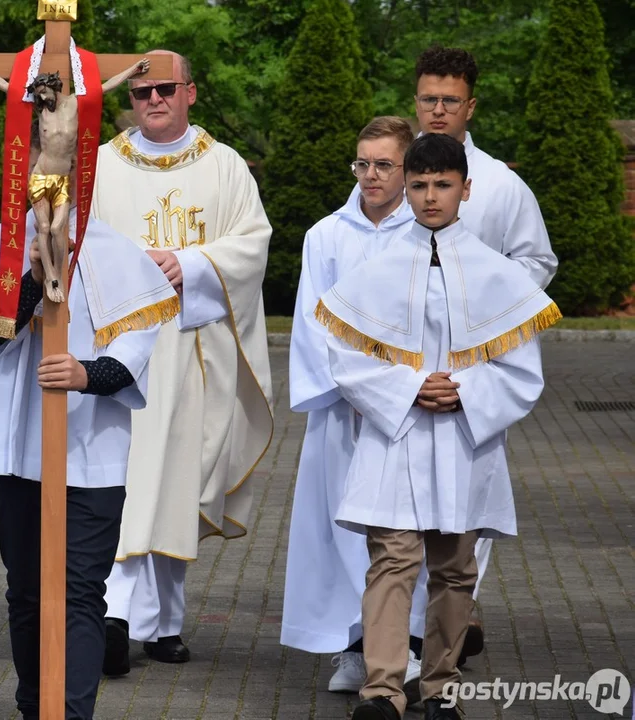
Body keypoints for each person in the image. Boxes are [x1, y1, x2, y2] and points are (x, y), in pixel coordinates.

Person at [318, 133, 559, 720]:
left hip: (462, 439)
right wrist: (408, 387)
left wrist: (465, 391)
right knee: (393, 560)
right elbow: (345, 360)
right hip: (395, 436)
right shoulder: (379, 268)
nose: (430, 197)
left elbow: (522, 372)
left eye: (442, 185)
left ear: (464, 189)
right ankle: (381, 690)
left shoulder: (498, 275)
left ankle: (441, 688)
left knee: (454, 567)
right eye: (420, 184)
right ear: (408, 186)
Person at [0, 154, 179, 718]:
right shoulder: (3, 244)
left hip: (92, 454)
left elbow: (136, 348)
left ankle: (72, 716)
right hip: (21, 454)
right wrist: (30, 281)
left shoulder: (114, 251)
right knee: (26, 594)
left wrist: (86, 373)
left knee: (81, 595)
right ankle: (34, 708)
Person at [90, 50, 274, 674]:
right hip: (123, 351)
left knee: (178, 485)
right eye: (142, 94)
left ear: (191, 92)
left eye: (166, 89)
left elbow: (253, 244)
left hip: (196, 349)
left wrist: (190, 264)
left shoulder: (224, 167)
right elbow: (78, 242)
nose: (154, 101)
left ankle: (164, 624)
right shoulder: (103, 164)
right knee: (127, 483)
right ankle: (114, 619)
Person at [281, 117, 427, 699]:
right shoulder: (326, 236)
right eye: (362, 164)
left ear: (408, 168)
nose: (370, 176)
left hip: (406, 410)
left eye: (383, 165)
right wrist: (356, 390)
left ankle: (406, 648)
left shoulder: (425, 234)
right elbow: (312, 325)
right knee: (340, 530)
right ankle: (351, 645)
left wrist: (395, 390)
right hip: (344, 412)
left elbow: (428, 324)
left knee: (403, 530)